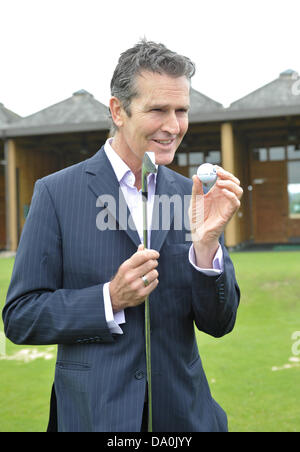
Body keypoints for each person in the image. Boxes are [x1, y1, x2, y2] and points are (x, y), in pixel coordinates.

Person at [2, 40, 243, 432]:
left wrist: (206, 246)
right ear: (118, 110)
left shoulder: (190, 195)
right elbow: (20, 317)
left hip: (186, 420)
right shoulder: (55, 193)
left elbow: (220, 323)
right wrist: (109, 299)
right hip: (93, 418)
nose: (173, 126)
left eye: (181, 110)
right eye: (157, 110)